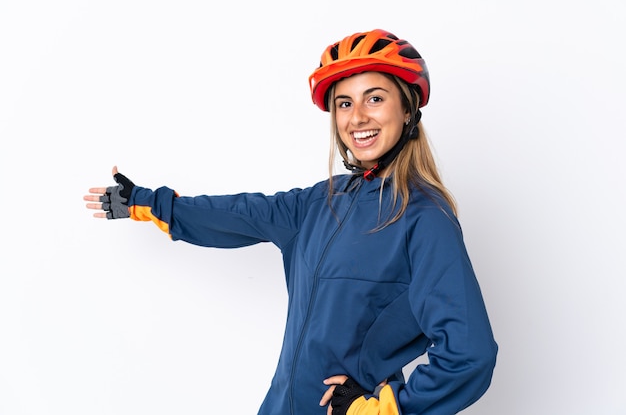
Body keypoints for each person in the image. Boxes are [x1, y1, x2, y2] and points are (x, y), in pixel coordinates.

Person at [84, 29, 497, 415]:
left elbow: (469, 354)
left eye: (375, 98)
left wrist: (382, 407)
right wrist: (142, 202)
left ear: (407, 109)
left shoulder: (424, 218)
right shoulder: (320, 202)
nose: (357, 118)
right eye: (345, 103)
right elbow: (238, 212)